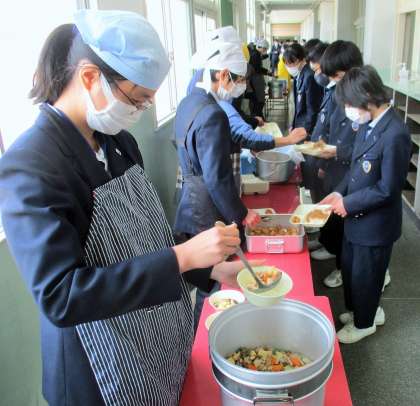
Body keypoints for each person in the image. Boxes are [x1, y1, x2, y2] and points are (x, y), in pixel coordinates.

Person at [0, 10, 253, 406]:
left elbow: (144, 235)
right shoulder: (31, 166)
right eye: (137, 98)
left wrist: (210, 268)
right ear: (89, 77)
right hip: (101, 364)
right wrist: (183, 256)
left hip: (155, 336)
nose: (143, 108)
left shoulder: (117, 142)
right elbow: (61, 296)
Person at [174, 38, 261, 330]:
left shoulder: (188, 102)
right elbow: (217, 177)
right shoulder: (213, 114)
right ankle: (207, 335)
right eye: (239, 80)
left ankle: (201, 331)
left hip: (188, 194)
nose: (240, 87)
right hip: (206, 206)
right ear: (223, 75)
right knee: (214, 276)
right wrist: (241, 213)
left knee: (204, 273)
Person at [321, 65, 412, 343]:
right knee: (352, 271)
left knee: (366, 277)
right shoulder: (368, 123)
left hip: (375, 224)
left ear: (368, 97)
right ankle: (363, 311)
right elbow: (355, 167)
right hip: (356, 217)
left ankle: (364, 323)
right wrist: (339, 194)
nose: (348, 109)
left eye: (350, 104)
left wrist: (349, 203)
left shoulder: (395, 133)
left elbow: (388, 189)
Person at [283, 43, 323, 138]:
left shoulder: (309, 76)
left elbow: (312, 108)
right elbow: (298, 107)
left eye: (291, 63)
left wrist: (307, 130)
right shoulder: (299, 74)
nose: (289, 66)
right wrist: (293, 125)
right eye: (287, 63)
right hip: (299, 124)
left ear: (301, 59)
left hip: (306, 127)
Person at [248, 38, 271, 118]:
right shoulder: (255, 55)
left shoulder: (255, 53)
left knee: (256, 101)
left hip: (255, 80)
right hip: (255, 80)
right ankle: (258, 117)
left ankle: (258, 117)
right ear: (262, 47)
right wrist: (267, 72)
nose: (265, 51)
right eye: (265, 49)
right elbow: (257, 69)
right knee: (259, 100)